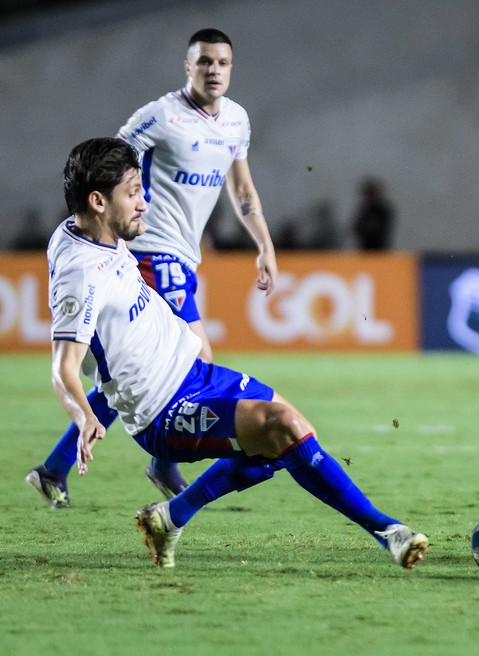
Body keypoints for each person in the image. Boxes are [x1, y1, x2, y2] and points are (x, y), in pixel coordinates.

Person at [47, 137, 428, 570]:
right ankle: (387, 532)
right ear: (97, 201)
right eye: (133, 192)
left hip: (194, 373)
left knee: (298, 439)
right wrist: (84, 416)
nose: (143, 203)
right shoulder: (80, 275)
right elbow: (64, 369)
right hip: (164, 409)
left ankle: (171, 516)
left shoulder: (88, 230)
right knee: (285, 429)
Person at [27, 28, 278, 508]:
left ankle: (54, 469)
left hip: (184, 257)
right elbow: (112, 165)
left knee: (145, 367)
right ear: (189, 66)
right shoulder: (160, 117)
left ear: (232, 67)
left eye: (223, 62)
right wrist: (121, 220)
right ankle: (162, 464)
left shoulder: (237, 122)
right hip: (151, 253)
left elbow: (242, 189)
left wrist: (264, 243)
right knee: (194, 356)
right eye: (204, 62)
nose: (214, 71)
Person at [352, 177, 395, 251]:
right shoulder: (365, 209)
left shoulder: (380, 210)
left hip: (378, 248)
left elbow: (375, 229)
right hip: (367, 248)